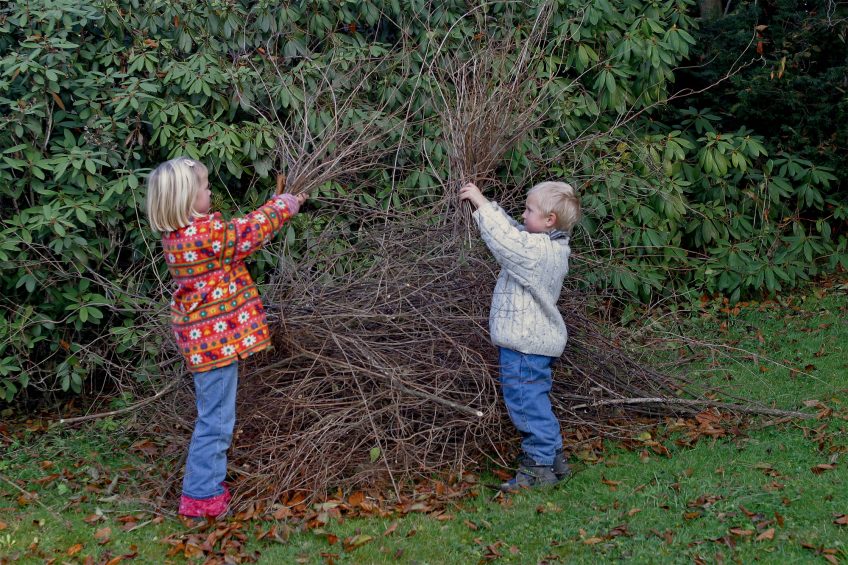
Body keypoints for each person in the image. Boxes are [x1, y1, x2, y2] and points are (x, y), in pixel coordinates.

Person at [145, 157, 307, 518]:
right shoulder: (203, 236)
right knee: (216, 421)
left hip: (207, 345)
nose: (210, 191)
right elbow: (246, 232)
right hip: (213, 348)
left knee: (215, 418)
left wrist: (274, 203)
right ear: (187, 200)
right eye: (203, 188)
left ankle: (205, 488)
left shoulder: (184, 235)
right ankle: (202, 497)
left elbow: (235, 232)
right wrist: (284, 205)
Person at [458, 180, 581, 492]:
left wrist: (481, 206)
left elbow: (507, 242)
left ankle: (538, 469)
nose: (523, 215)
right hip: (530, 346)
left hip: (525, 348)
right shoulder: (546, 245)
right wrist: (487, 204)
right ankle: (552, 460)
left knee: (527, 408)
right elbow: (515, 231)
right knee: (535, 404)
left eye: (529, 210)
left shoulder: (538, 253)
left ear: (549, 221)